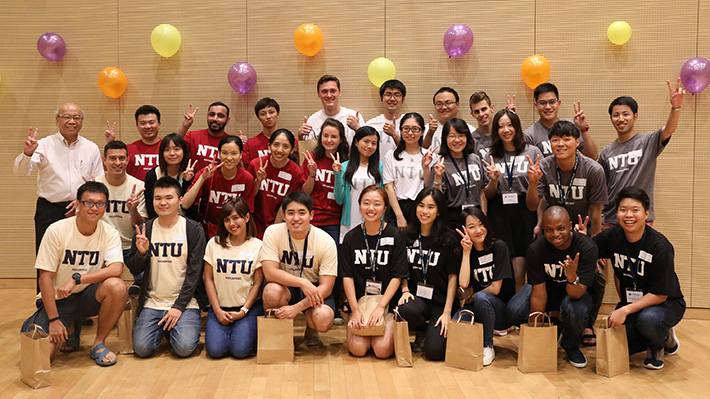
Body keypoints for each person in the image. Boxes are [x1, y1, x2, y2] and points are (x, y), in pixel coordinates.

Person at [20, 181, 127, 367]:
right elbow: (45, 277)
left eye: (100, 204)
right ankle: (67, 326)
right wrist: (53, 320)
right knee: (39, 360)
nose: (95, 208)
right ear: (77, 204)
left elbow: (116, 269)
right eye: (89, 203)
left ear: (105, 207)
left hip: (86, 296)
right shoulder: (56, 230)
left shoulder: (109, 232)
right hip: (58, 300)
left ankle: (99, 344)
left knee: (117, 286)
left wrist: (77, 279)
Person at [526, 120, 608, 343]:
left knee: (597, 277)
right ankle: (555, 318)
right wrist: (533, 184)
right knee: (552, 273)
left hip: (584, 230)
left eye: (566, 139)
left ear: (577, 142)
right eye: (555, 139)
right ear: (550, 143)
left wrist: (595, 245)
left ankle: (587, 324)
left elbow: (597, 211)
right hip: (555, 231)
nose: (560, 144)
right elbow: (534, 205)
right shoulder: (544, 166)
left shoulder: (593, 169)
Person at [14, 103, 104, 291]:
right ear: (57, 120)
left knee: (80, 259)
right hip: (50, 209)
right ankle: (45, 309)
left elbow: (98, 182)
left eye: (77, 117)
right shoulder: (44, 145)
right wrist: (28, 153)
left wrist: (81, 203)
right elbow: (21, 172)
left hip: (82, 210)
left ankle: (79, 310)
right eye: (66, 117)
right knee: (47, 260)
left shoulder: (91, 147)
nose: (72, 121)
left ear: (82, 121)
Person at [593, 188, 684, 370]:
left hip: (666, 303)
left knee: (649, 321)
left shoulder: (660, 246)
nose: (628, 215)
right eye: (623, 209)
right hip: (633, 304)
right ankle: (657, 335)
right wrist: (579, 239)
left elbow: (660, 295)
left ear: (646, 214)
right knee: (622, 344)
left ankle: (660, 342)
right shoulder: (613, 237)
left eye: (635, 210)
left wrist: (625, 310)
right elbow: (588, 249)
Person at [509, 206, 597, 368]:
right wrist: (536, 337)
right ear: (543, 229)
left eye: (561, 228)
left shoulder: (586, 247)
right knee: (514, 311)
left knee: (574, 311)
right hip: (546, 292)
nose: (555, 234)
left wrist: (572, 277)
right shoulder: (536, 249)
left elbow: (576, 294)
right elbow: (539, 294)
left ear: (570, 226)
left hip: (574, 294)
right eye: (549, 230)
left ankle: (571, 345)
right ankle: (555, 327)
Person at [128, 176, 206, 358]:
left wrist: (178, 307)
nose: (163, 203)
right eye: (158, 198)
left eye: (168, 198)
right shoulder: (144, 229)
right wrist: (142, 253)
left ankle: (172, 329)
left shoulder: (193, 229)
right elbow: (134, 269)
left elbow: (195, 273)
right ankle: (166, 329)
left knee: (184, 349)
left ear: (179, 200)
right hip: (153, 302)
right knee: (142, 349)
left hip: (185, 304)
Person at [598, 79, 685, 227]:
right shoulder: (606, 152)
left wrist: (675, 108)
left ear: (635, 116)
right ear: (611, 119)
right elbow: (602, 188)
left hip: (640, 218)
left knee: (641, 251)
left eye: (626, 114)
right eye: (616, 115)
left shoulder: (648, 142)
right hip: (612, 218)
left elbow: (669, 129)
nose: (620, 119)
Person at [260, 192, 338, 346]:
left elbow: (327, 287)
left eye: (302, 213)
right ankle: (280, 336)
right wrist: (302, 282)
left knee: (323, 319)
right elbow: (269, 273)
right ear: (283, 215)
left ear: (311, 215)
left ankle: (311, 328)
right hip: (285, 285)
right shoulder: (272, 232)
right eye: (290, 213)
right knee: (271, 292)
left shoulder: (326, 241)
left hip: (314, 287)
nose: (296, 218)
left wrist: (297, 308)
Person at [340, 185, 408, 358]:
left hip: (386, 302)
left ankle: (388, 320)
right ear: (359, 205)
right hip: (359, 301)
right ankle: (362, 324)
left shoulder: (394, 235)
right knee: (358, 349)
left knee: (382, 351)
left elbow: (397, 276)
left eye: (377, 204)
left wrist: (381, 307)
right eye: (366, 203)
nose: (371, 208)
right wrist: (355, 310)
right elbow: (347, 276)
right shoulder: (351, 237)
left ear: (385, 208)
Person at [482, 109, 543, 291]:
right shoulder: (490, 155)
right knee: (503, 265)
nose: (506, 130)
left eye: (510, 125)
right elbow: (488, 194)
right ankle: (503, 311)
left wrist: (539, 221)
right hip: (499, 212)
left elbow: (540, 194)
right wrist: (493, 180)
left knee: (520, 271)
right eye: (500, 126)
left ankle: (517, 312)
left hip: (524, 211)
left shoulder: (532, 152)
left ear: (517, 127)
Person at [396, 188, 459, 361]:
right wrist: (405, 290)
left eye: (431, 207)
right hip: (417, 299)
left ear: (438, 212)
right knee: (405, 308)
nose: (425, 211)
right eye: (421, 206)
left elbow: (453, 277)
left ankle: (434, 331)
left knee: (434, 353)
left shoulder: (449, 239)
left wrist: (447, 312)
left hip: (440, 302)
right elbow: (401, 269)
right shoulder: (406, 236)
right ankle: (421, 330)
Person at [454, 207, 518, 366]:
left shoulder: (499, 247)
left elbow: (495, 288)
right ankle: (475, 344)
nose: (478, 230)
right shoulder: (463, 252)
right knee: (455, 325)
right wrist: (467, 253)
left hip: (501, 310)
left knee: (482, 297)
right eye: (471, 227)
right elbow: (463, 283)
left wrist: (473, 296)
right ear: (464, 230)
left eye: (481, 224)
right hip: (479, 309)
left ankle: (487, 345)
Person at [203, 197, 265, 359]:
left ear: (246, 217)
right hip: (220, 308)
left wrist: (243, 311)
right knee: (215, 351)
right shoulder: (213, 243)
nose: (232, 224)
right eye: (227, 220)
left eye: (236, 218)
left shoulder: (258, 246)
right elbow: (208, 279)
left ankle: (245, 332)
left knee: (240, 351)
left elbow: (257, 283)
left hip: (247, 308)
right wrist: (216, 310)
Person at [301, 118, 348, 323]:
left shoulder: (347, 161)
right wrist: (311, 175)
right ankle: (308, 304)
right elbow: (305, 193)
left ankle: (332, 306)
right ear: (320, 138)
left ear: (340, 140)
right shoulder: (311, 158)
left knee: (332, 265)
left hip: (335, 221)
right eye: (325, 136)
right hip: (312, 220)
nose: (329, 140)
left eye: (334, 136)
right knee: (309, 263)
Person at [95, 140, 148, 292]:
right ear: (104, 161)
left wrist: (133, 210)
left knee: (145, 282)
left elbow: (140, 225)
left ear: (128, 160)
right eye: (112, 158)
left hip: (130, 245)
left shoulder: (138, 186)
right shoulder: (95, 184)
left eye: (122, 158)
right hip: (102, 245)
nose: (117, 163)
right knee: (96, 286)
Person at [182, 135, 255, 237]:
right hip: (207, 231)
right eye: (224, 153)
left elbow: (247, 213)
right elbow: (185, 204)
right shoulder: (206, 172)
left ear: (241, 155)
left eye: (234, 153)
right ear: (219, 154)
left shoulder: (247, 178)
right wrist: (202, 178)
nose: (229, 158)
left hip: (234, 231)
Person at [427, 118, 485, 229]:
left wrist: (484, 215)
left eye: (461, 135)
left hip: (477, 214)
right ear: (445, 139)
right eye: (452, 136)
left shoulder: (475, 159)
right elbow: (436, 198)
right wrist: (438, 177)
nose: (457, 140)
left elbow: (482, 190)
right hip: (453, 218)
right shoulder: (440, 163)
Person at [247, 129, 304, 238]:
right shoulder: (256, 164)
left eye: (285, 146)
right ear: (269, 146)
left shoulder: (295, 172)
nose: (279, 150)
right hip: (253, 222)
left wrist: (273, 230)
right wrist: (258, 181)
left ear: (292, 150)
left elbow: (286, 203)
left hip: (278, 223)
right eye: (276, 145)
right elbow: (249, 197)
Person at [383, 112, 434, 230]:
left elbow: (429, 187)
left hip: (422, 208)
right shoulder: (391, 156)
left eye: (415, 129)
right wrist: (399, 216)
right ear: (400, 131)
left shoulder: (429, 155)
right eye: (406, 129)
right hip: (397, 208)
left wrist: (426, 167)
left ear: (422, 132)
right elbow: (388, 187)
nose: (410, 133)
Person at [333, 126, 383, 242]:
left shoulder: (380, 167)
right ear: (356, 142)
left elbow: (383, 200)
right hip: (350, 221)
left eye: (374, 143)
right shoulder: (344, 166)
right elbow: (339, 200)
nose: (369, 146)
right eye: (366, 141)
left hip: (374, 223)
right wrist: (338, 174)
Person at [523, 83, 597, 159]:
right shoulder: (529, 135)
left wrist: (583, 129)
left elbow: (592, 156)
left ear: (558, 104)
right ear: (536, 106)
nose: (548, 107)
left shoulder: (571, 126)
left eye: (552, 102)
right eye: (542, 103)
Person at [298, 75, 365, 145]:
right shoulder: (313, 120)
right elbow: (308, 150)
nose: (329, 95)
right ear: (318, 94)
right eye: (324, 91)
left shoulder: (354, 117)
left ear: (339, 92)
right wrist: (301, 137)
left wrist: (358, 129)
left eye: (333, 91)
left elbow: (367, 146)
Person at [144, 133, 197, 220]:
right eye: (167, 149)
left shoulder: (193, 174)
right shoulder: (152, 175)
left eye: (176, 149)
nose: (172, 153)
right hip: (159, 224)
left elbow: (190, 211)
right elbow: (151, 209)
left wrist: (187, 182)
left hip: (185, 225)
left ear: (184, 151)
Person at [104, 105, 163, 181]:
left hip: (161, 192)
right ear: (137, 126)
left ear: (159, 124)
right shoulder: (128, 149)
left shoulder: (167, 149)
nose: (148, 126)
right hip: (135, 191)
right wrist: (110, 143)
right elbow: (107, 167)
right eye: (143, 123)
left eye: (151, 122)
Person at [242, 97, 299, 167]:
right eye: (263, 114)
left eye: (271, 112)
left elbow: (299, 164)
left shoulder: (289, 140)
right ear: (258, 118)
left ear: (278, 114)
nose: (268, 116)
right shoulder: (250, 144)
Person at [178, 101, 232, 171]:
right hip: (193, 180)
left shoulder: (231, 142)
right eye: (211, 115)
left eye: (220, 116)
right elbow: (173, 145)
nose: (215, 119)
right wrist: (184, 127)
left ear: (227, 120)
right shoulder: (192, 136)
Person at [365, 79, 406, 158]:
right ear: (381, 98)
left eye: (397, 95)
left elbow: (413, 151)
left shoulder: (409, 123)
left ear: (403, 99)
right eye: (388, 95)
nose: (392, 99)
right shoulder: (371, 124)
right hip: (377, 169)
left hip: (402, 168)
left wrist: (395, 135)